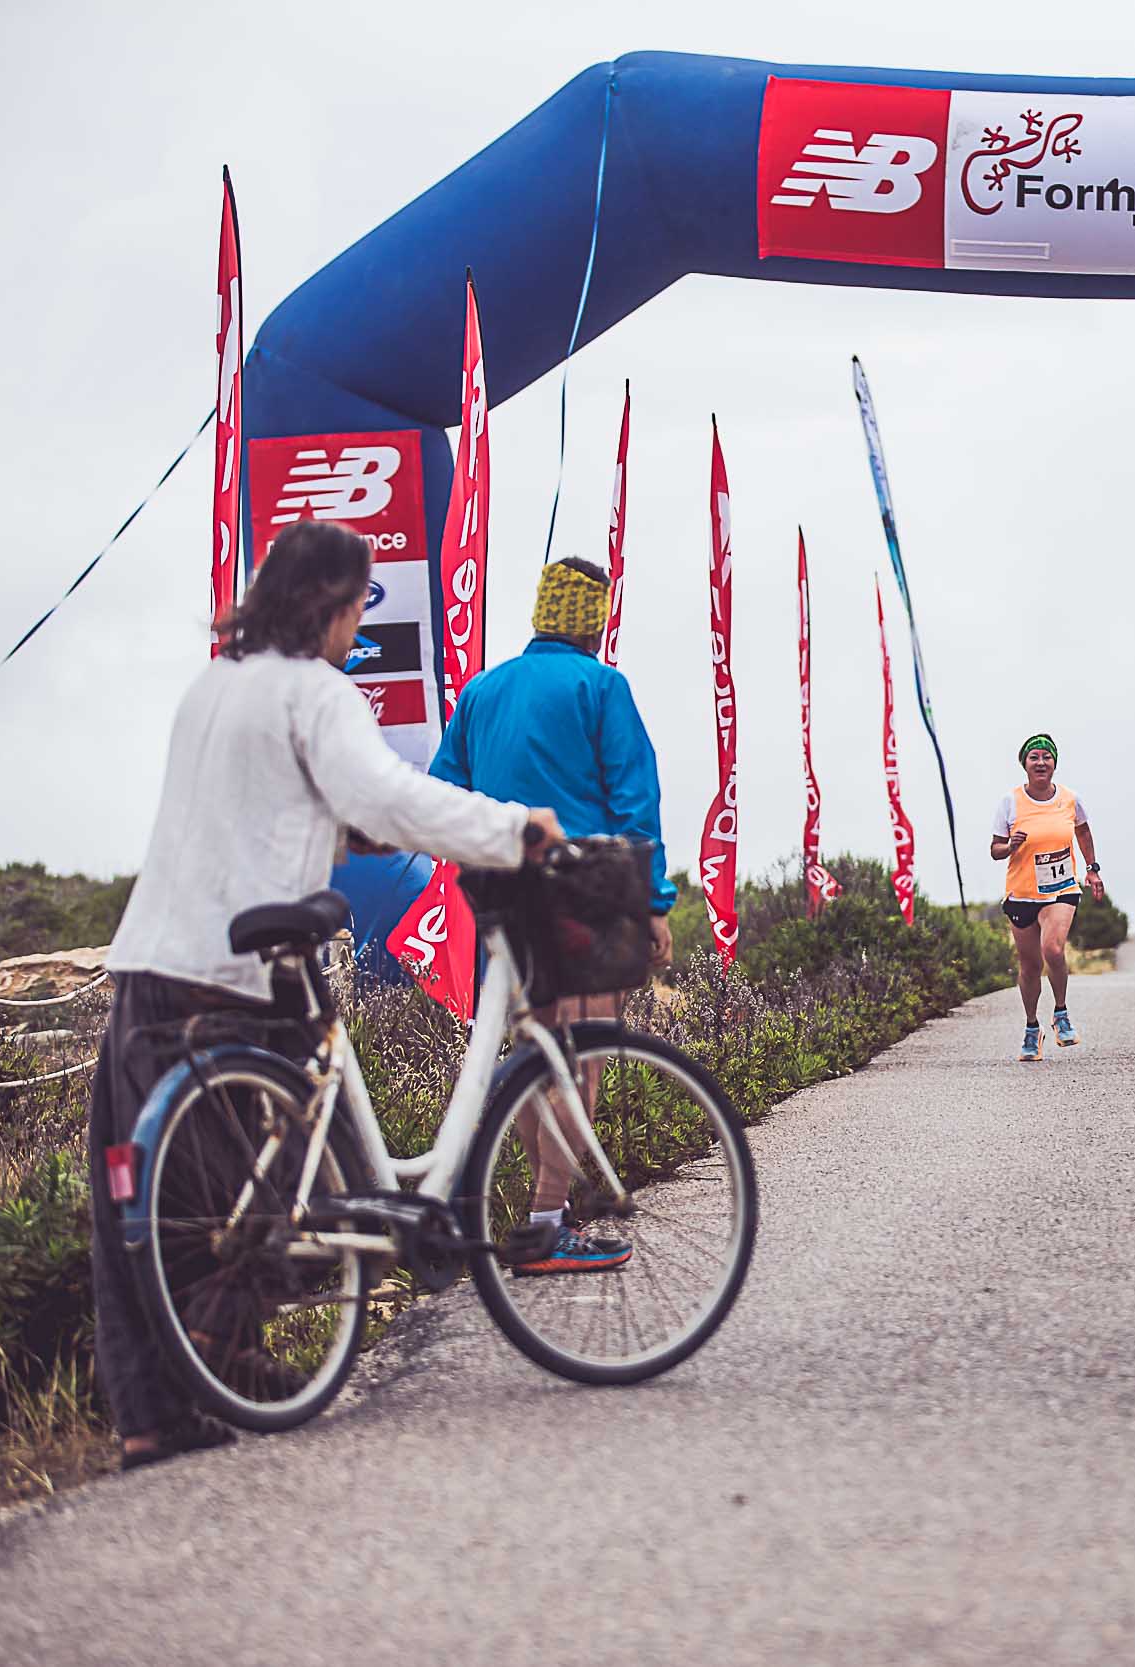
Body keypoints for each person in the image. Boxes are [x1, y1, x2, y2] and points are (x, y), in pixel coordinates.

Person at [93, 521, 557, 1469]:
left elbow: (258, 812)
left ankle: (153, 1414)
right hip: (239, 976)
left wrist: (343, 832)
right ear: (330, 607)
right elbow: (389, 795)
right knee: (315, 1182)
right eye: (355, 609)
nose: (358, 627)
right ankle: (223, 1344)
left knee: (149, 1208)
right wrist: (514, 831)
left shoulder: (213, 686)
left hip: (147, 968)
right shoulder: (316, 691)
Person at [430, 556, 675, 1275]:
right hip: (585, 894)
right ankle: (545, 1223)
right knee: (578, 1058)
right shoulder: (601, 686)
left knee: (534, 1056)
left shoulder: (481, 691)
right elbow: (635, 804)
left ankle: (548, 1212)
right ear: (595, 619)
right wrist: (653, 904)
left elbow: (445, 791)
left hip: (501, 897)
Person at [992, 734, 1105, 1061]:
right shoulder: (1010, 802)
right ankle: (1032, 1027)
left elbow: (1083, 830)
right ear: (1025, 764)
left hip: (1061, 889)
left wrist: (1092, 869)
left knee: (1053, 949)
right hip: (1021, 893)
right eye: (1034, 757)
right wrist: (1010, 846)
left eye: (1047, 757)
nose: (1041, 763)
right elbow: (995, 849)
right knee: (1029, 966)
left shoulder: (1070, 799)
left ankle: (1061, 1012)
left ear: (1054, 763)